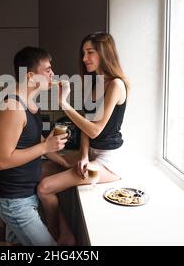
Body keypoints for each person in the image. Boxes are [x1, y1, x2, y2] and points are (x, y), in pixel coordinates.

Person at [38, 32, 129, 245]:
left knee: (44, 188)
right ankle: (67, 233)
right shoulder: (94, 83)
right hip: (91, 155)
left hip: (109, 161)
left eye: (90, 52)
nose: (84, 58)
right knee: (38, 172)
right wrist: (84, 155)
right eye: (83, 53)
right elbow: (86, 129)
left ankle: (55, 236)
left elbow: (96, 130)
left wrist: (64, 103)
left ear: (105, 53)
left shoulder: (116, 85)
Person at [0, 46, 75, 246]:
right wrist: (46, 148)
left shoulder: (30, 102)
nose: (53, 74)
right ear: (31, 76)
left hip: (26, 194)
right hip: (14, 201)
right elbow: (2, 161)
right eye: (47, 70)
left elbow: (33, 139)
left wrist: (63, 162)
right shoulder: (13, 107)